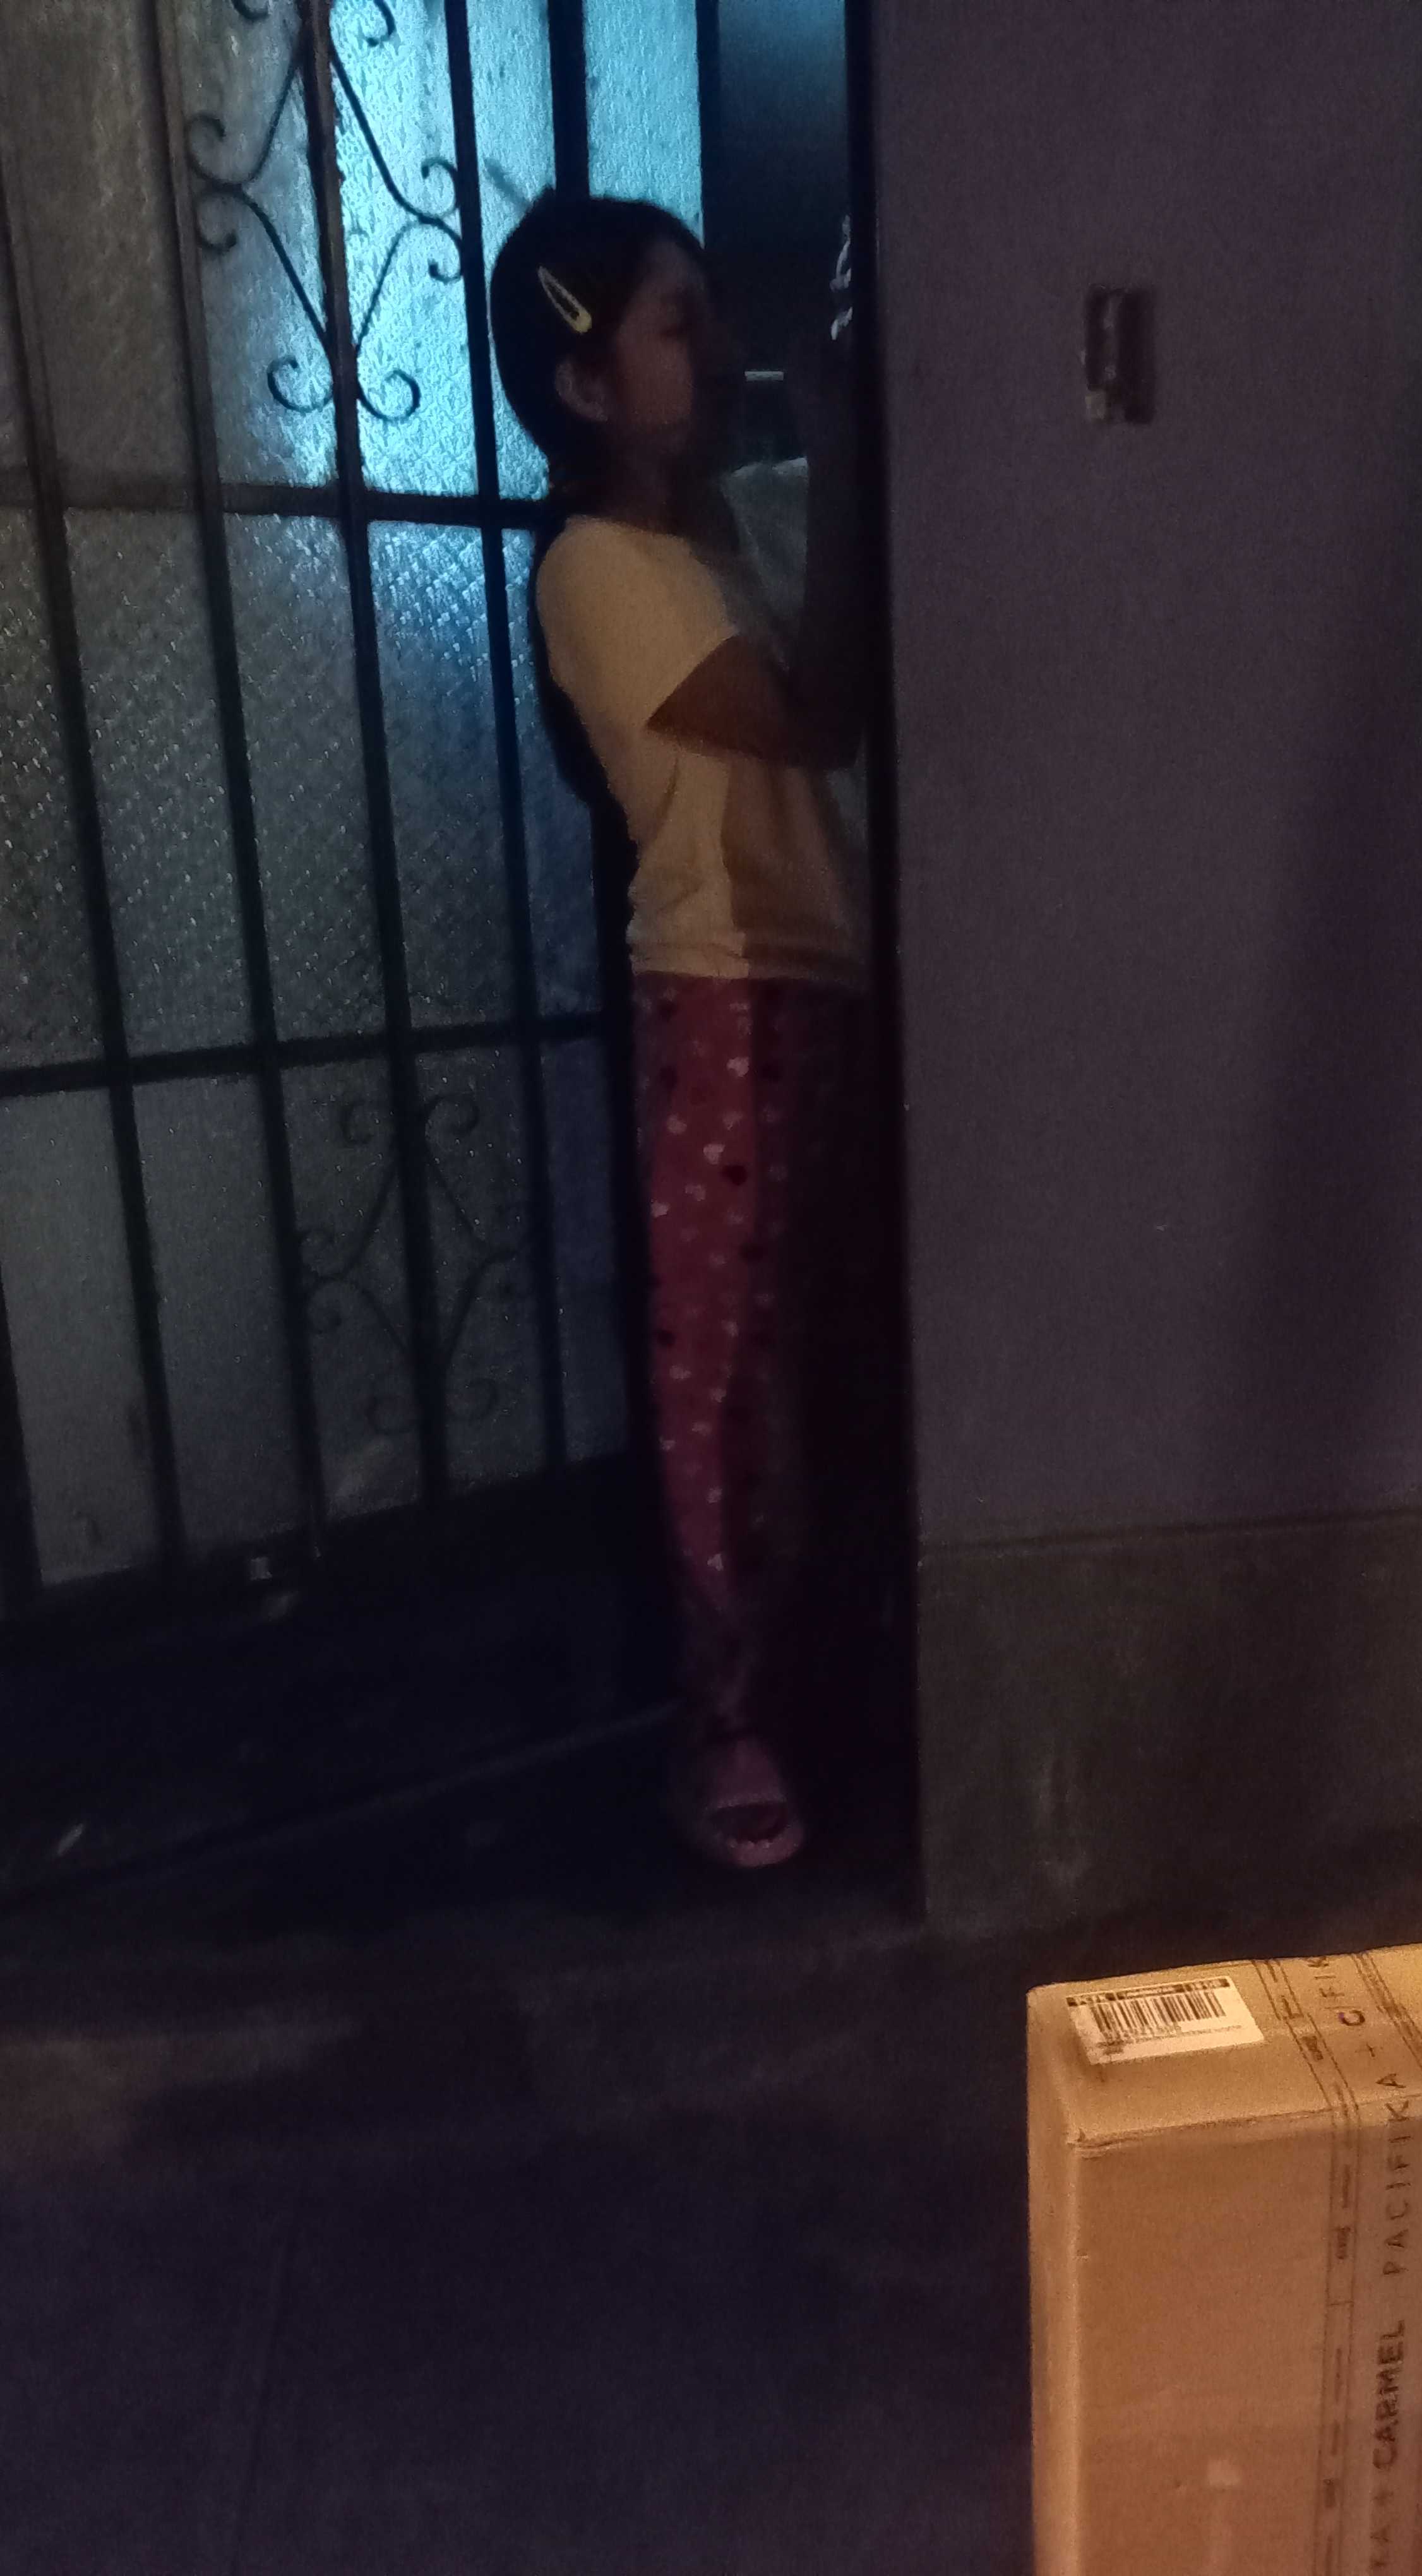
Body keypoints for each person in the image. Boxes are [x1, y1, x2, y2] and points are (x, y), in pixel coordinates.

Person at [489, 191, 878, 1871]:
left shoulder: (740, 525)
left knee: (809, 1360)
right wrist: (843, 447)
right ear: (584, 388)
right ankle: (716, 1723)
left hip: (830, 974)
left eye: (711, 312)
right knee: (721, 1377)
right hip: (722, 984)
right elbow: (814, 715)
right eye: (676, 323)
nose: (718, 351)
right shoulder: (594, 566)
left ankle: (795, 1685)